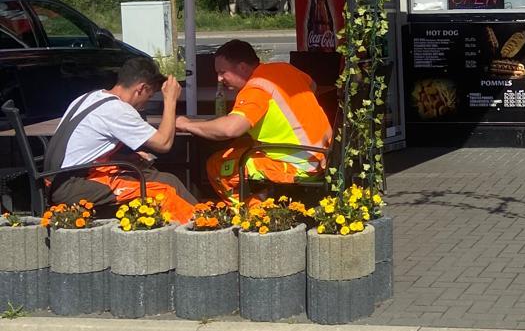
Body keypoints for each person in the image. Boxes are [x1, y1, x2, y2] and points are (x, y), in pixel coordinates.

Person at [48, 56, 197, 223]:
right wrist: (170, 100)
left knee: (166, 179)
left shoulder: (90, 97)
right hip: (72, 186)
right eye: (149, 96)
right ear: (141, 88)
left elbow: (87, 149)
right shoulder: (117, 109)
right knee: (164, 190)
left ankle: (200, 217)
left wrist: (126, 157)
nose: (147, 103)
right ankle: (200, 229)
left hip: (58, 176)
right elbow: (163, 143)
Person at [176, 39, 332, 199]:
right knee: (239, 146)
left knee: (218, 165)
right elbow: (312, 86)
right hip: (323, 155)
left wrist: (187, 124)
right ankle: (264, 197)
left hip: (299, 163)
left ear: (242, 67)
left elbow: (230, 129)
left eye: (222, 72)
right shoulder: (283, 68)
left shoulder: (256, 88)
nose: (219, 79)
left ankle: (251, 215)